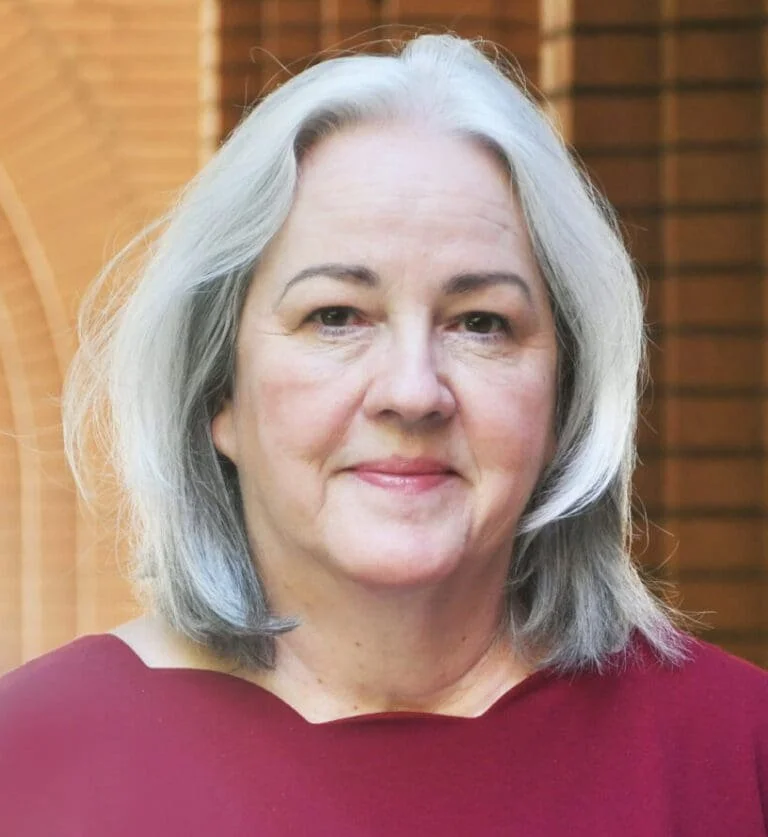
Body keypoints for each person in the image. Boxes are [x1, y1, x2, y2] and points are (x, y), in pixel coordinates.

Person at [0, 34, 765, 836]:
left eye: (481, 323)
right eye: (336, 315)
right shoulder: (29, 763)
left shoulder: (736, 757)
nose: (412, 392)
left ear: (562, 395)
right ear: (218, 388)